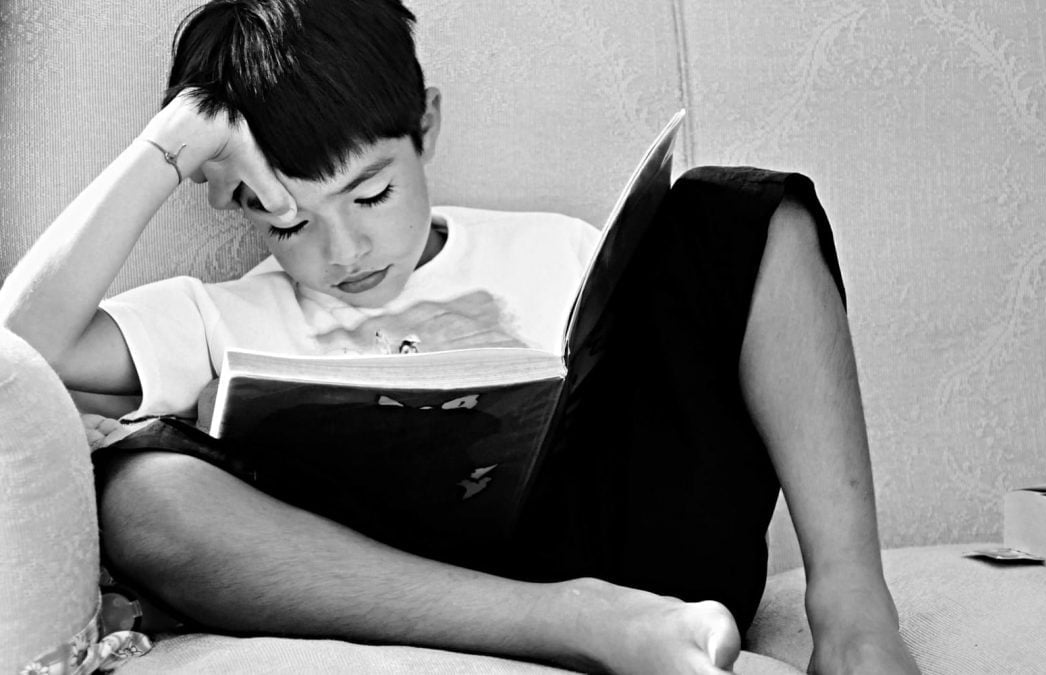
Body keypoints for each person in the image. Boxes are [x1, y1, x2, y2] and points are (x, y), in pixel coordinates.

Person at [0, 0, 919, 673]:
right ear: (241, 200)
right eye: (291, 223)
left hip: (637, 544)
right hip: (394, 580)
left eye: (370, 195)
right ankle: (570, 624)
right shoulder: (225, 314)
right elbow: (20, 355)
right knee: (137, 491)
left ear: (427, 126)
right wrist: (172, 143)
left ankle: (854, 607)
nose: (345, 250)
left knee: (741, 209)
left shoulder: (553, 248)